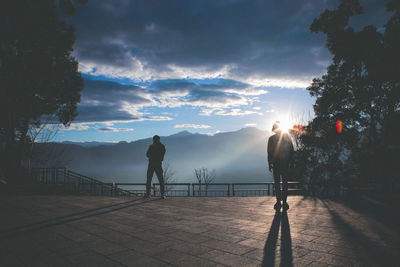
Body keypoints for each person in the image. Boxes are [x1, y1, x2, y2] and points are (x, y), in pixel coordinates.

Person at [267, 121, 294, 211]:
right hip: (285, 164)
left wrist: (269, 163)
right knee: (285, 184)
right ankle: (284, 202)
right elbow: (291, 151)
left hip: (276, 164)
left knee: (277, 184)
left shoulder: (271, 139)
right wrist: (292, 162)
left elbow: (269, 152)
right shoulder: (287, 137)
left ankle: (279, 202)